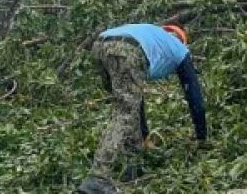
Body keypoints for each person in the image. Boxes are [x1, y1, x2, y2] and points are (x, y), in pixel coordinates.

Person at [78, 23, 207, 194]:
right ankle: (97, 178)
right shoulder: (180, 50)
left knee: (128, 106)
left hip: (101, 45)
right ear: (182, 40)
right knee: (124, 114)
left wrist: (144, 135)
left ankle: (132, 165)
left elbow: (135, 99)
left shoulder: (152, 35)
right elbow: (194, 97)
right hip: (127, 49)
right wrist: (202, 136)